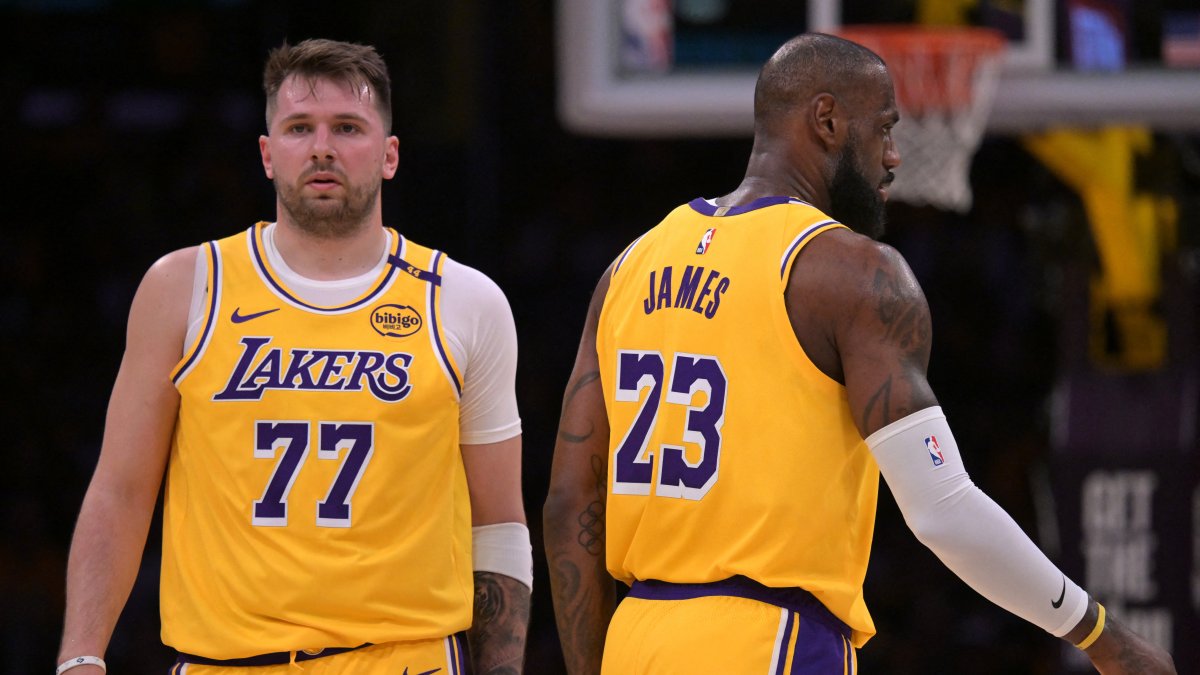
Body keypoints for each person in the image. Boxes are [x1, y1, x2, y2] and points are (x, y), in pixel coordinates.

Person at [543, 33, 1175, 674]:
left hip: (636, 635)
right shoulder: (847, 271)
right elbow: (943, 507)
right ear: (826, 120)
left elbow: (571, 503)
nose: (895, 156)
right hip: (766, 640)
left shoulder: (629, 267)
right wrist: (1102, 634)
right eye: (884, 129)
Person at [57, 38, 530, 675]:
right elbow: (120, 490)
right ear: (267, 153)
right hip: (223, 661)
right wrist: (81, 655)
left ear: (390, 155)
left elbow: (498, 521)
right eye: (299, 127)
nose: (322, 147)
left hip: (404, 659)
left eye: (348, 127)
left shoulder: (466, 300)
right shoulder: (183, 287)